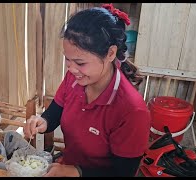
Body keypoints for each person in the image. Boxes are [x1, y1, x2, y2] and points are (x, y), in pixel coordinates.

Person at [23, 4, 151, 177]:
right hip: (67, 167)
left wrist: (76, 172)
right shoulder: (75, 79)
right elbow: (56, 111)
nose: (72, 69)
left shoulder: (132, 111)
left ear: (111, 53)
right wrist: (43, 121)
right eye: (68, 60)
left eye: (80, 63)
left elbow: (123, 173)